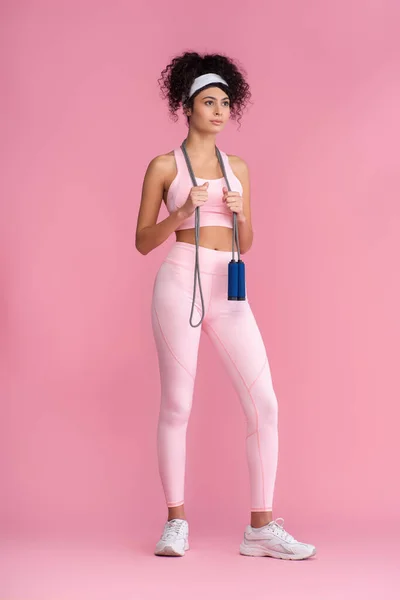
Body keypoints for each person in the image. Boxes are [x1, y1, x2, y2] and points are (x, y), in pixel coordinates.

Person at [135, 51, 316, 560]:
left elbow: (249, 241)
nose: (219, 111)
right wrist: (183, 211)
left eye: (225, 103)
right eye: (209, 102)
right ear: (187, 106)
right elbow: (143, 241)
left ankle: (260, 527)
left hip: (229, 285)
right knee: (178, 405)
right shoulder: (165, 166)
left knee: (265, 403)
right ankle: (175, 522)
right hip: (180, 280)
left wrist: (239, 214)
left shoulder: (238, 169)